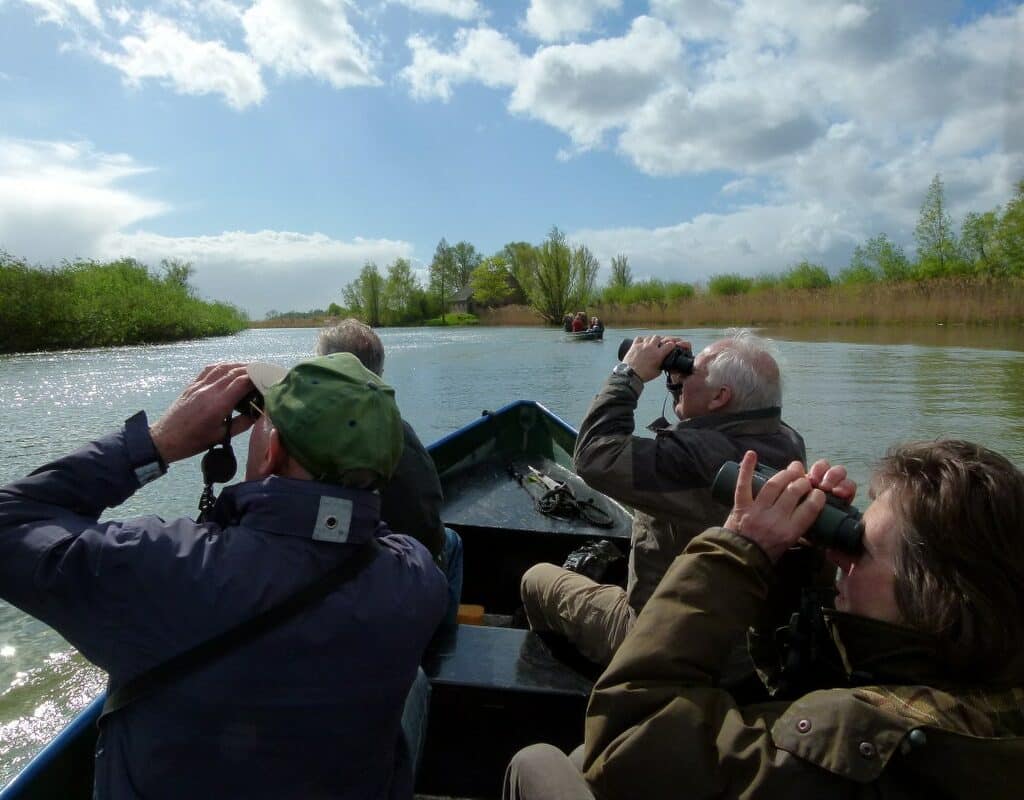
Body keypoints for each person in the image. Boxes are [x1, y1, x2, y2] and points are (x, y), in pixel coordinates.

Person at [0, 355, 448, 799]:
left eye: (260, 419)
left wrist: (156, 444)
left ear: (271, 452)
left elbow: (11, 520)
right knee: (417, 686)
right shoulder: (417, 580)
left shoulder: (157, 567)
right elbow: (352, 530)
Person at [505, 441, 1024, 799]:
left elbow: (627, 737)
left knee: (540, 762)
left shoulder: (862, 737)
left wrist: (735, 552)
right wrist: (805, 568)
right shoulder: (979, 699)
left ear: (935, 597)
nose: (844, 556)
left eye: (860, 547)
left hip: (647, 684)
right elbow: (801, 703)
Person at [520, 329, 805, 665]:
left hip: (661, 639)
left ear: (719, 397)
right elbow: (710, 427)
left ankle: (579, 683)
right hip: (743, 642)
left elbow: (595, 457)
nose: (685, 374)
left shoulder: (692, 459)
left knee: (535, 579)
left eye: (693, 371)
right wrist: (681, 381)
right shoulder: (785, 441)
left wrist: (629, 375)